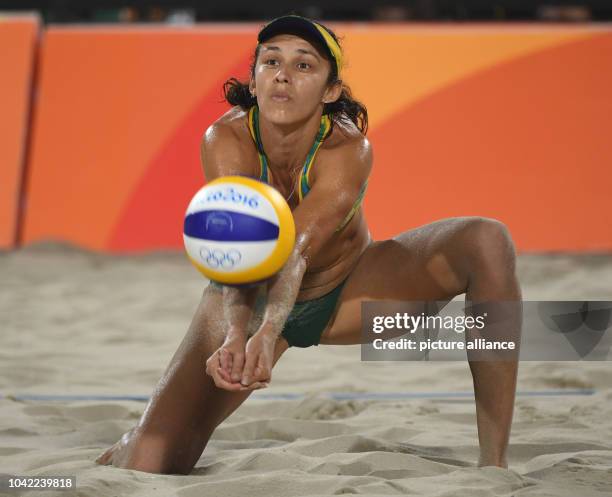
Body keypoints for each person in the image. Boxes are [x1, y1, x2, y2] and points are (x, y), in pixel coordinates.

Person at [95, 14, 522, 474]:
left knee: (487, 239)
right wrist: (241, 333)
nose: (282, 74)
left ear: (330, 91)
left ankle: (493, 465)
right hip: (252, 295)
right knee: (152, 462)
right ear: (255, 81)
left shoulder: (347, 149)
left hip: (349, 296)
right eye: (271, 61)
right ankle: (130, 443)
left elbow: (295, 249)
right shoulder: (225, 139)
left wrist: (267, 333)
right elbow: (240, 258)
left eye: (304, 66)